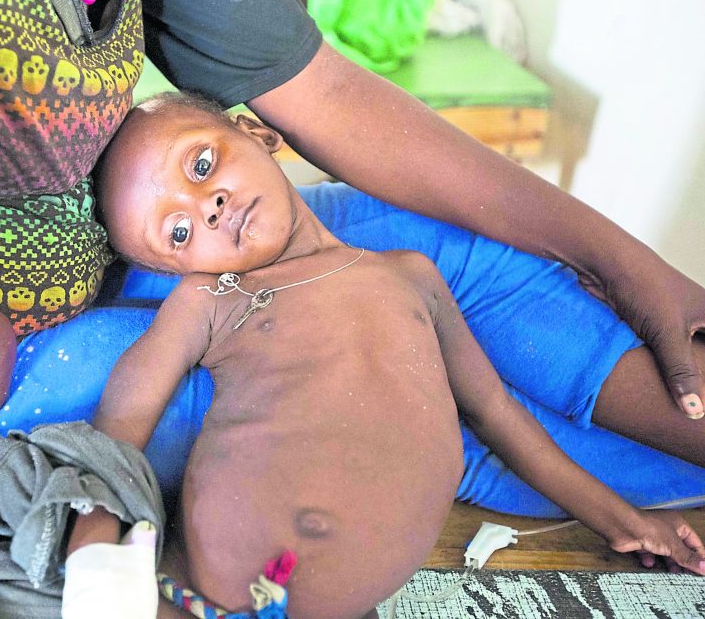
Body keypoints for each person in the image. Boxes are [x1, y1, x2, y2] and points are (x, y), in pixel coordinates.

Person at [0, 0, 703, 508]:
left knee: (422, 250)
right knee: (354, 358)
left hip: (96, 283)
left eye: (213, 159)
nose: (211, 190)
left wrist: (629, 265)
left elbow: (321, 94)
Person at [64, 93, 705, 618]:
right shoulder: (217, 298)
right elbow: (124, 416)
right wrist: (90, 551)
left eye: (202, 167)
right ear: (175, 269)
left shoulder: (411, 275)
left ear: (257, 133)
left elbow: (499, 415)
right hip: (192, 594)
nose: (208, 208)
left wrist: (616, 518)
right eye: (178, 233)